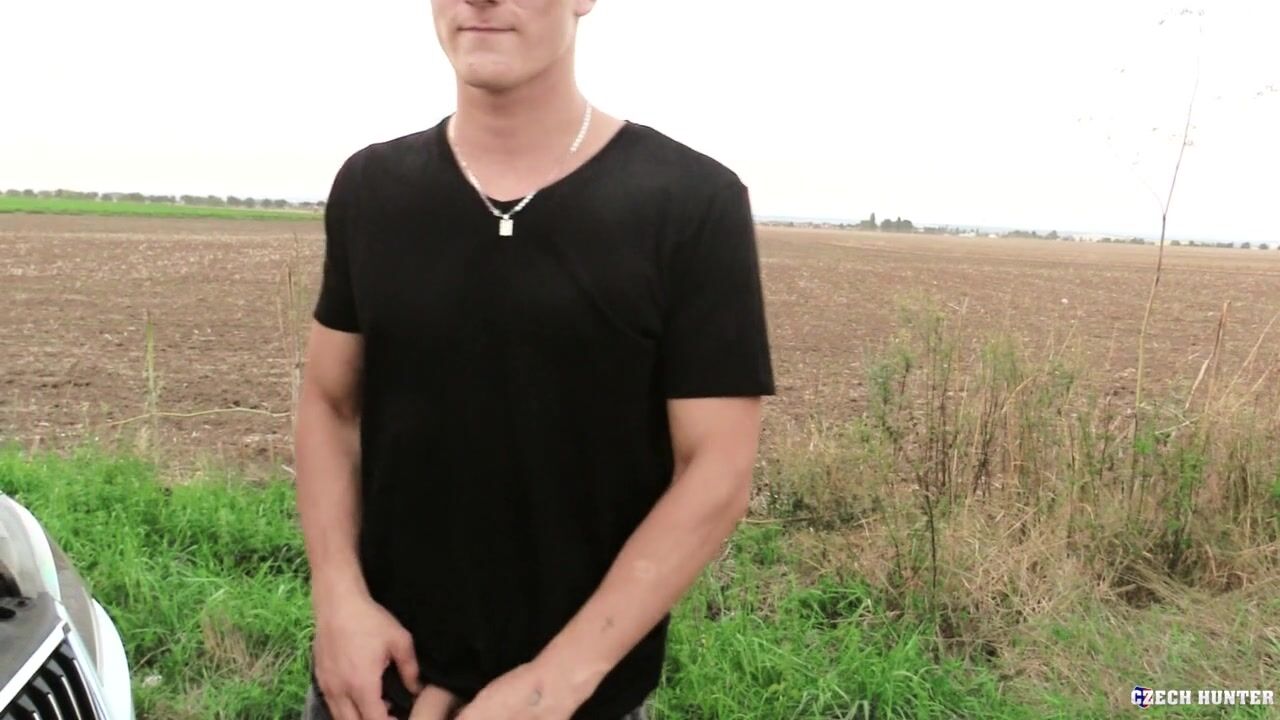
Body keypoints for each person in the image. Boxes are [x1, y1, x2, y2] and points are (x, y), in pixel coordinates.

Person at [294, 0, 775, 718]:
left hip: (575, 701)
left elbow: (717, 469)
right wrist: (338, 598)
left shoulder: (691, 203)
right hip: (373, 687)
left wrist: (556, 681)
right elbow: (330, 402)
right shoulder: (372, 189)